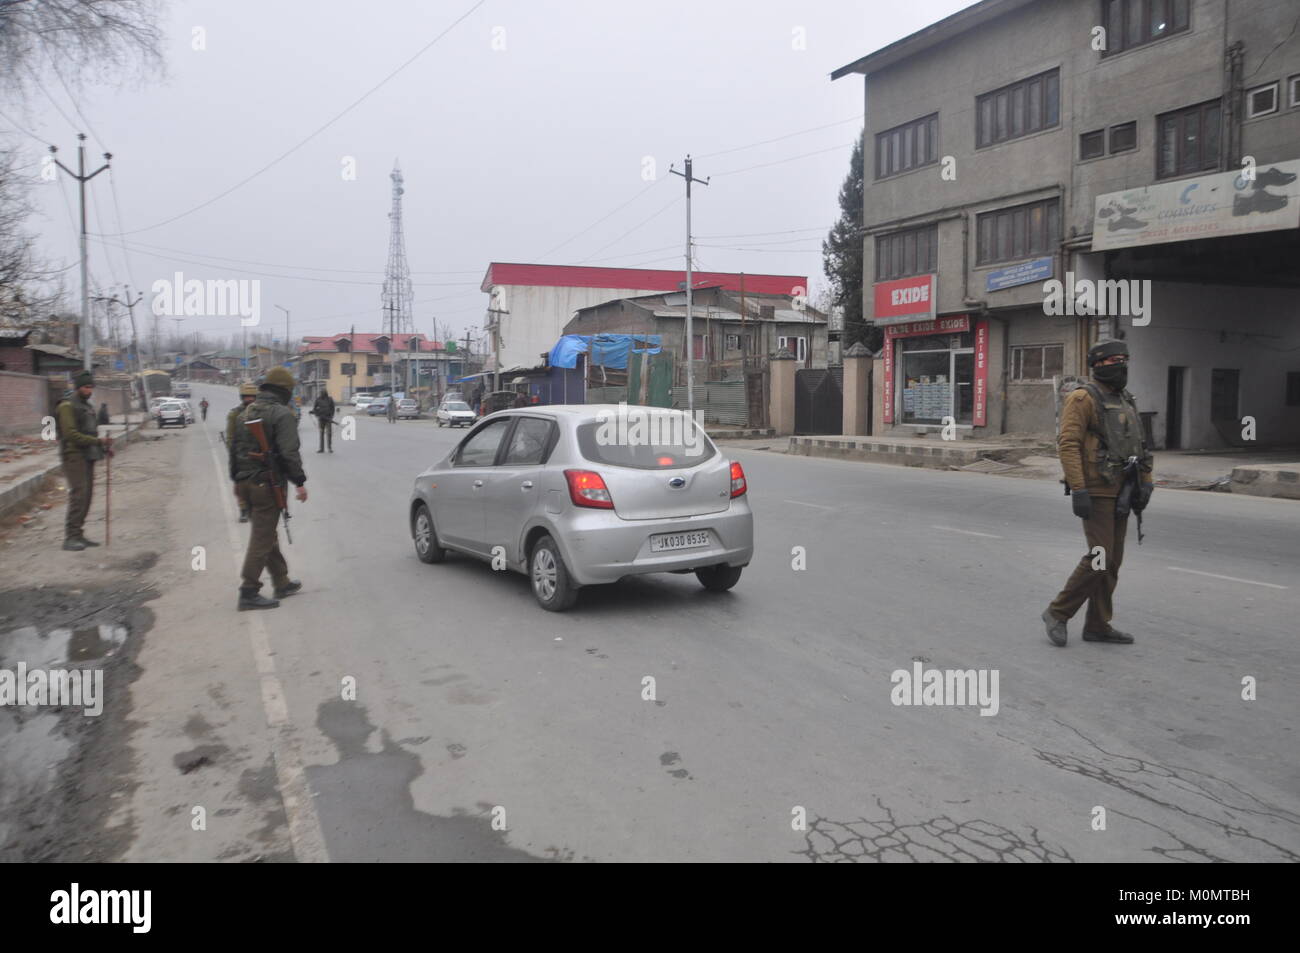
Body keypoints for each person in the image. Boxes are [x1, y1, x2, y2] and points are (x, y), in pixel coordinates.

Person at [1043, 339, 1154, 647]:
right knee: (1100, 557)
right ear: (1096, 366)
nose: (1119, 366)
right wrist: (1078, 488)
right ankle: (1057, 612)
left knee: (1112, 560)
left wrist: (1146, 481)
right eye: (1111, 361)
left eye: (1123, 360)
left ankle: (1097, 624)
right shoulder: (1082, 398)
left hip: (1124, 489)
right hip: (1096, 489)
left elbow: (1140, 445)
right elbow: (1068, 444)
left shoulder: (1126, 398)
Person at [230, 367, 307, 610]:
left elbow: (233, 447)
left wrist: (236, 479)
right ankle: (248, 590)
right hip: (265, 483)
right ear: (285, 391)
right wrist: (300, 482)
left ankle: (281, 581)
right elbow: (289, 453)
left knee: (267, 534)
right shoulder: (281, 414)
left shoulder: (245, 411)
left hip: (244, 482)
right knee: (262, 537)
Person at [55, 371, 113, 551]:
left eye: (91, 387)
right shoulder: (67, 406)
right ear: (77, 387)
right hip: (74, 455)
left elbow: (90, 431)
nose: (89, 390)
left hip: (88, 455)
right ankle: (70, 537)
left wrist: (104, 447)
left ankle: (78, 534)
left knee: (87, 496)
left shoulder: (87, 406)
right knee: (79, 495)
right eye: (86, 387)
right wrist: (97, 442)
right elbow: (70, 434)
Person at [227, 383, 258, 522]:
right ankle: (243, 509)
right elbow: (230, 438)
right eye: (247, 397)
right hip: (241, 455)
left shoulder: (260, 411)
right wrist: (234, 453)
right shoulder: (235, 414)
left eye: (251, 397)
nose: (249, 399)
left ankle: (252, 508)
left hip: (257, 454)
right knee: (240, 484)